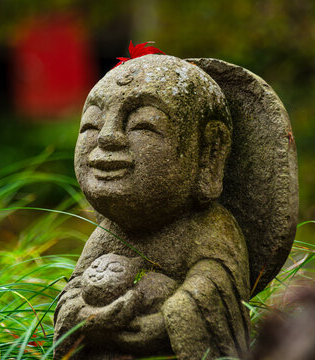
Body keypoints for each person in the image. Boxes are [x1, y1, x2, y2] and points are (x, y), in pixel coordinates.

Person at [54, 54, 251, 360]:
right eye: (92, 124)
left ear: (209, 153)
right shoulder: (108, 232)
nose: (107, 137)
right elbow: (73, 295)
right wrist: (88, 317)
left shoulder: (210, 229)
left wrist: (165, 323)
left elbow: (211, 295)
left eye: (143, 125)